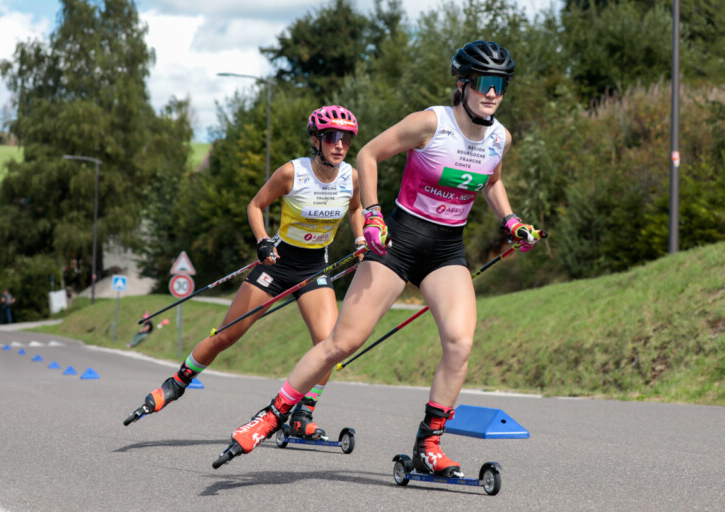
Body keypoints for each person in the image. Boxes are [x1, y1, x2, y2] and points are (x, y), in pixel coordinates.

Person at [219, 41, 543, 476]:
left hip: (446, 249)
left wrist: (511, 220)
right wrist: (371, 214)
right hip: (398, 243)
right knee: (342, 343)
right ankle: (271, 415)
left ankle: (428, 446)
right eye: (484, 82)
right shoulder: (431, 123)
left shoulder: (500, 137)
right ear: (464, 84)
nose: (492, 93)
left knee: (460, 342)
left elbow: (491, 182)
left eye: (500, 85)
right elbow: (368, 154)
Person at [126, 105, 366, 440]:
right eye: (331, 137)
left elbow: (356, 208)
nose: (339, 145)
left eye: (346, 139)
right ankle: (176, 383)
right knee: (227, 335)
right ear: (316, 140)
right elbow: (255, 205)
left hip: (314, 268)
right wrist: (263, 240)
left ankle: (302, 414)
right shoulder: (292, 173)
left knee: (330, 346)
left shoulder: (351, 177)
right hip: (278, 264)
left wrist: (360, 238)